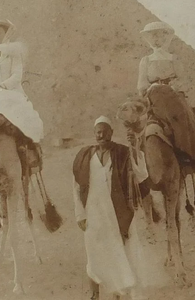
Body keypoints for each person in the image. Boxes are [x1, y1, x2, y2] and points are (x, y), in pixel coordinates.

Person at [73, 116, 169, 300]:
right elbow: (77, 186)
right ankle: (95, 295)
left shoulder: (122, 153)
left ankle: (122, 293)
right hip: (94, 212)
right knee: (94, 253)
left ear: (111, 132)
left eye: (104, 131)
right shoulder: (84, 156)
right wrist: (80, 214)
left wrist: (134, 148)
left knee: (124, 252)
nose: (101, 135)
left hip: (118, 212)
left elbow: (141, 175)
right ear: (94, 134)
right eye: (98, 132)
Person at [135, 21, 195, 170]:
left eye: (160, 36)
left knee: (189, 116)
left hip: (173, 96)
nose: (157, 40)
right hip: (154, 97)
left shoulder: (173, 59)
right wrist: (153, 87)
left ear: (165, 38)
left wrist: (171, 87)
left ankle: (189, 154)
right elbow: (141, 84)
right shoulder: (146, 61)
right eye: (153, 36)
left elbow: (183, 80)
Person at [0, 19, 44, 175]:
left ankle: (28, 150)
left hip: (12, 91)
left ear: (5, 34)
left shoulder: (14, 54)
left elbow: (16, 75)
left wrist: (3, 86)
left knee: (22, 117)